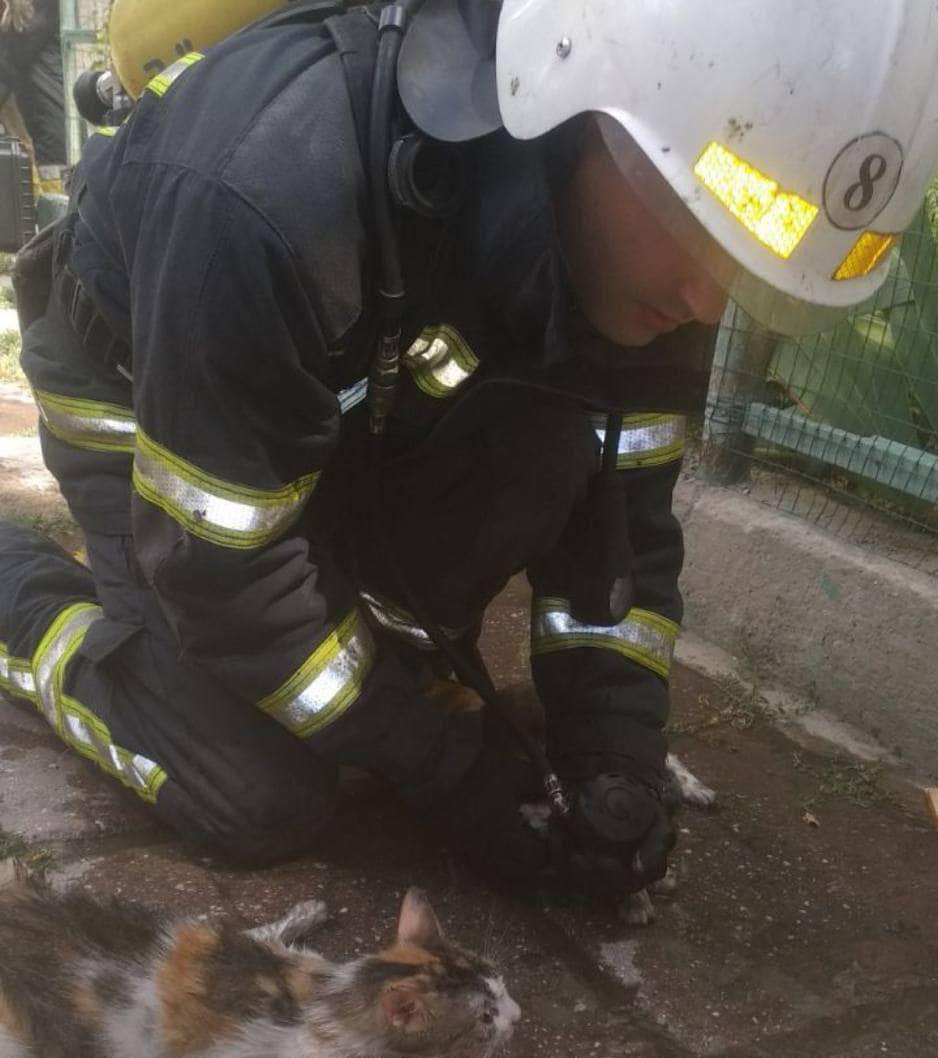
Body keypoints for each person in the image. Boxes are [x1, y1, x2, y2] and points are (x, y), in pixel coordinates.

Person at [1, 0, 936, 895]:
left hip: (324, 408)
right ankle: (22, 595)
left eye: (753, 263)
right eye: (700, 223)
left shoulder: (653, 264)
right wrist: (440, 764)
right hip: (145, 399)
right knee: (253, 788)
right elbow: (222, 568)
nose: (710, 303)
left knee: (413, 630)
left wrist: (614, 753)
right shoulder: (273, 184)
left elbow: (625, 531)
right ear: (580, 111)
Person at [0, 0, 66, 194]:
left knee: (53, 204)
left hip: (47, 132)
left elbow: (12, 59)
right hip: (36, 127)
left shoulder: (32, 11)